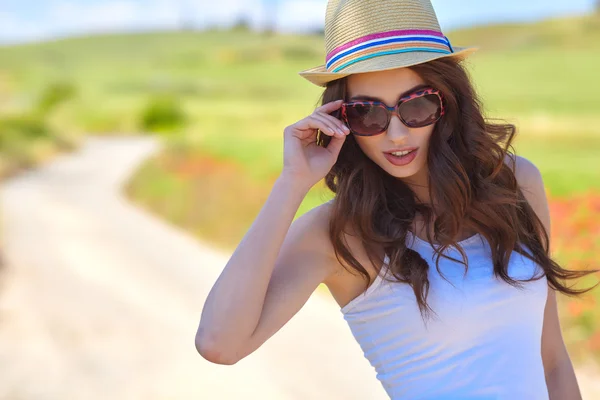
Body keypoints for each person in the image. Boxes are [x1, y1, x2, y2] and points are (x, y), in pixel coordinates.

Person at [195, 0, 599, 398]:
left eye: (417, 105)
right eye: (367, 114)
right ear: (341, 119)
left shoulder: (515, 183)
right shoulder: (338, 234)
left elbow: (553, 362)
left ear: (448, 102)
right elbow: (219, 343)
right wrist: (291, 183)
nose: (396, 133)